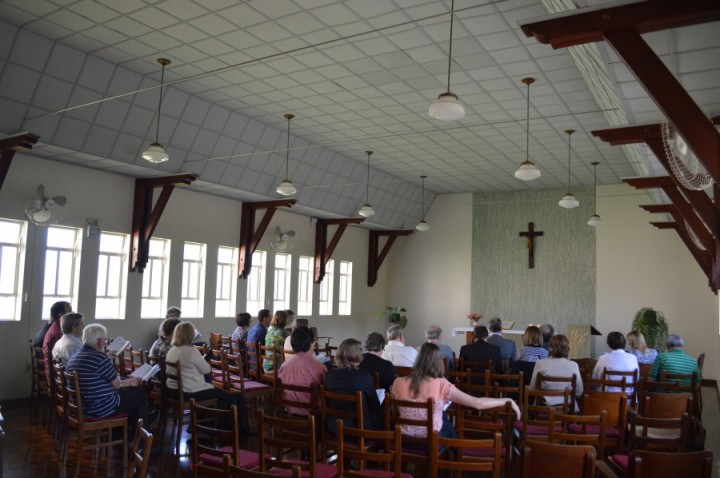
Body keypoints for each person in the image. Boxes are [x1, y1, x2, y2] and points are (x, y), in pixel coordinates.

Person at [391, 343, 520, 439]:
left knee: (442, 418)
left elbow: (396, 410)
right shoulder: (442, 385)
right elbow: (478, 404)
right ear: (438, 362)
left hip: (404, 438)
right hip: (431, 440)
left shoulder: (398, 382)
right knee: (446, 423)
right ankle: (455, 455)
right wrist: (506, 400)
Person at [165, 322, 250, 433]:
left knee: (220, 393)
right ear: (190, 335)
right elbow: (206, 370)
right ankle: (215, 426)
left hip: (173, 391)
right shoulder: (191, 351)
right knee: (225, 396)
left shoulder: (172, 350)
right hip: (189, 391)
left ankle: (200, 422)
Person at [66, 323, 148, 436]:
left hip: (82, 407)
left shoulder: (75, 356)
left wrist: (126, 381)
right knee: (139, 393)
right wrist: (130, 382)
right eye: (105, 340)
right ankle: (140, 437)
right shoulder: (99, 358)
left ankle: (125, 431)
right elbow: (117, 385)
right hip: (100, 409)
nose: (105, 342)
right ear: (99, 342)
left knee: (130, 390)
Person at [324, 338, 384, 434]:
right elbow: (375, 406)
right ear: (357, 355)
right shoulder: (363, 376)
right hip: (359, 428)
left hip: (334, 426)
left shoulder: (328, 376)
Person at [278, 326, 326, 416]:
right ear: (311, 344)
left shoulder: (283, 367)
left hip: (289, 412)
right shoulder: (320, 367)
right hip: (313, 414)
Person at [530, 335, 584, 409]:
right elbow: (579, 391)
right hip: (567, 407)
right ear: (567, 348)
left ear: (550, 348)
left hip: (543, 406)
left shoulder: (540, 363)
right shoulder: (573, 365)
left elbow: (532, 388)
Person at [43, 301, 73, 379]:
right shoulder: (58, 334)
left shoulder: (54, 327)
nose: (73, 313)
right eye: (70, 311)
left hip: (53, 371)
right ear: (61, 316)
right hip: (55, 375)